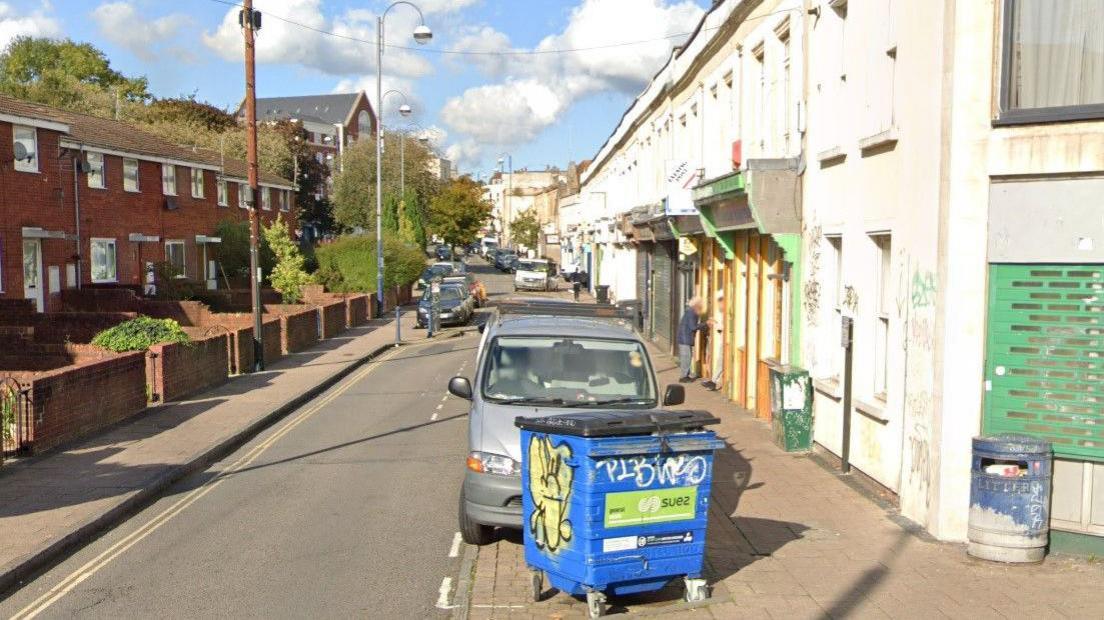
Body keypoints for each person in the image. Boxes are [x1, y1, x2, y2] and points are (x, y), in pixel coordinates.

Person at [677, 296, 711, 383]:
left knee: (686, 357)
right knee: (687, 357)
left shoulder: (690, 311)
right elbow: (693, 327)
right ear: (697, 305)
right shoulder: (692, 313)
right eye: (701, 305)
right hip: (685, 338)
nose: (702, 307)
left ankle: (685, 375)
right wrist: (706, 324)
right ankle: (683, 377)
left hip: (684, 337)